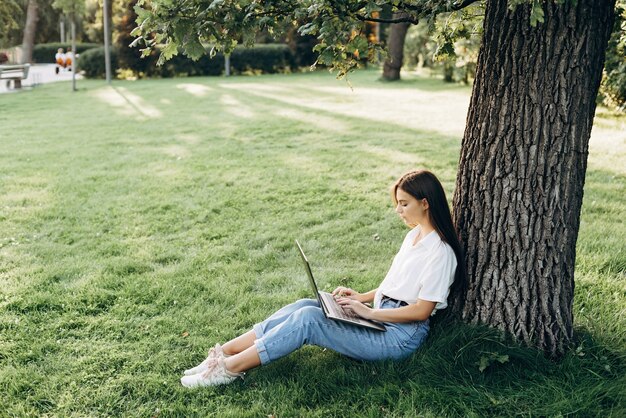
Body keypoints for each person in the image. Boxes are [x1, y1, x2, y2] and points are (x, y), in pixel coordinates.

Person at [181, 169, 465, 388]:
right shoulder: (414, 235)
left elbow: (421, 310)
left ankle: (229, 369)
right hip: (382, 317)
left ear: (425, 203)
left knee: (309, 320)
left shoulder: (440, 252)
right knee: (306, 304)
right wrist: (360, 298)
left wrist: (370, 312)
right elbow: (398, 287)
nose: (397, 210)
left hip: (399, 337)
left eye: (404, 204)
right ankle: (222, 353)